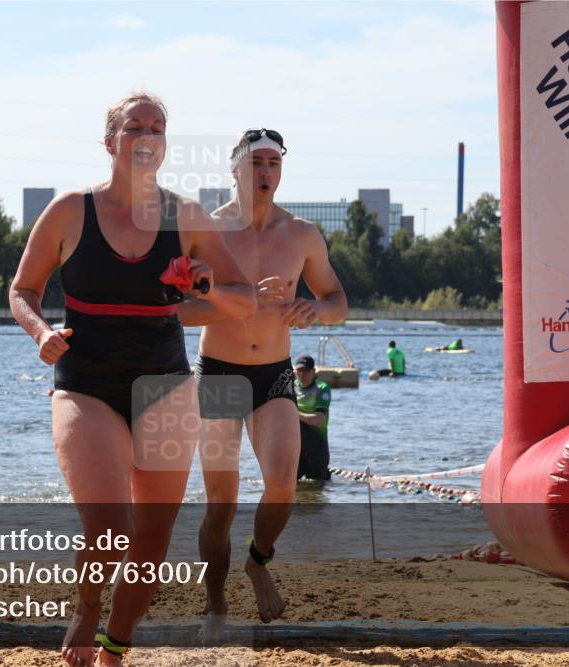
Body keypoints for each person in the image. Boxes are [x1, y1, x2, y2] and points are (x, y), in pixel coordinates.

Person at [9, 92, 255, 667]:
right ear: (110, 142)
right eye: (134, 126)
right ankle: (87, 609)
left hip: (166, 386)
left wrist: (204, 286)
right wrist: (39, 331)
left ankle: (115, 647)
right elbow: (22, 289)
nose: (147, 135)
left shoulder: (186, 216)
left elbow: (241, 299)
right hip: (85, 384)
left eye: (157, 127)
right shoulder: (71, 211)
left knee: (150, 540)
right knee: (110, 524)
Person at [177, 127, 347, 640]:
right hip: (220, 372)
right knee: (221, 503)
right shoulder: (207, 230)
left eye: (274, 162)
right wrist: (239, 297)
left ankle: (258, 561)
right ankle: (215, 606)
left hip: (273, 373)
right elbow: (179, 312)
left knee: (282, 484)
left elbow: (338, 301)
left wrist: (313, 309)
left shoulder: (301, 235)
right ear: (235, 170)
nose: (266, 171)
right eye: (256, 163)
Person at [293, 355, 331, 482]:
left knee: (318, 487)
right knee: (293, 489)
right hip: (295, 445)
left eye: (306, 371)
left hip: (316, 444)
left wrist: (293, 413)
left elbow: (317, 420)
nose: (302, 375)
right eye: (299, 371)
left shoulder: (322, 388)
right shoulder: (291, 387)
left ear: (313, 371)